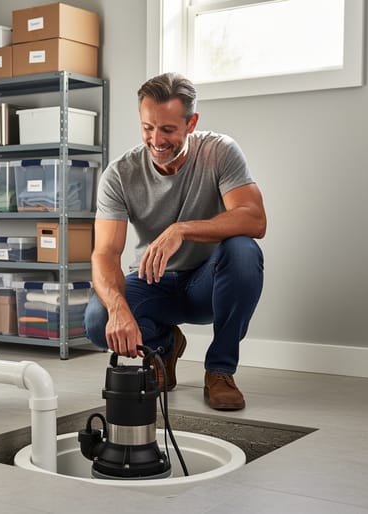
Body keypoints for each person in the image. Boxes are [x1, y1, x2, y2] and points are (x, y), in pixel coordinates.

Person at [83, 72, 266, 411]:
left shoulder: (220, 151)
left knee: (243, 249)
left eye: (167, 129)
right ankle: (163, 347)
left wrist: (181, 229)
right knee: (98, 320)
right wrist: (119, 309)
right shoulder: (119, 174)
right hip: (154, 282)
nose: (156, 140)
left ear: (191, 122)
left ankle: (220, 371)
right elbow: (105, 252)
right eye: (148, 127)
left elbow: (254, 218)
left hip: (208, 284)